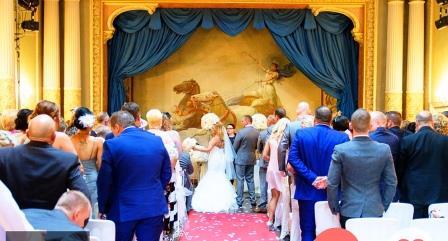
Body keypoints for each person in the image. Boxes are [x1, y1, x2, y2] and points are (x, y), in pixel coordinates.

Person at [97, 111, 171, 241]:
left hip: (122, 207)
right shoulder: (156, 140)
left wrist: (103, 207)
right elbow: (166, 172)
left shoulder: (112, 144)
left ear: (117, 127)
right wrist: (155, 189)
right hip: (152, 204)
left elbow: (105, 180)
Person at [0, 114, 89, 209]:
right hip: (52, 220)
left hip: (14, 219)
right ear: (53, 137)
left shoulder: (4, 155)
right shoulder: (67, 160)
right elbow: (83, 197)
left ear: (27, 134)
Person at [327, 109, 397, 228]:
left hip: (349, 208)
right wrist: (383, 205)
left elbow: (332, 183)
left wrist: (335, 207)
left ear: (350, 125)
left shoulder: (341, 149)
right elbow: (391, 182)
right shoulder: (384, 149)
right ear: (370, 126)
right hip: (374, 208)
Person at [287, 106, 349, 241]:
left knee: (308, 231)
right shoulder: (342, 137)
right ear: (331, 120)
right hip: (332, 192)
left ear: (315, 119)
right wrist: (328, 179)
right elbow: (347, 163)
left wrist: (312, 178)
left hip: (308, 189)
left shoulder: (301, 134)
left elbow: (293, 158)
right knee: (331, 232)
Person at [400, 111, 448, 218]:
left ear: (417, 122)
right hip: (440, 193)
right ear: (432, 122)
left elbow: (400, 169)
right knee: (438, 230)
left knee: (417, 230)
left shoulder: (408, 141)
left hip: (413, 193)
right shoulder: (445, 141)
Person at [146, 109, 181, 240]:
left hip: (148, 178)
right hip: (165, 177)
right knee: (168, 203)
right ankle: (166, 230)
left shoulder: (144, 135)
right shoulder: (166, 137)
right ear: (161, 122)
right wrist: (167, 175)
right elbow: (174, 157)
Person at [191, 122, 238, 212]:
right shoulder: (223, 138)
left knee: (212, 175)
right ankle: (223, 198)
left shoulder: (215, 138)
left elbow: (208, 149)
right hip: (221, 158)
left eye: (213, 128)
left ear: (216, 129)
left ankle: (212, 200)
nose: (212, 129)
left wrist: (195, 147)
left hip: (215, 159)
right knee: (220, 175)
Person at [70, 107, 104, 218]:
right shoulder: (98, 141)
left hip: (75, 179)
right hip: (93, 178)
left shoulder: (69, 141)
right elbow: (100, 164)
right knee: (93, 208)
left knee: (77, 209)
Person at [23, 191, 91, 241]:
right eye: (84, 220)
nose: (82, 226)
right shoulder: (73, 233)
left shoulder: (24, 213)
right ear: (77, 215)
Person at [263, 118, 290, 232]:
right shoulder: (286, 138)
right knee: (286, 197)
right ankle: (283, 222)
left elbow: (264, 155)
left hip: (271, 169)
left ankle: (270, 220)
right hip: (282, 169)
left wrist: (272, 160)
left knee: (274, 196)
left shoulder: (271, 138)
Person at [370, 111, 400, 201]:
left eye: (370, 123)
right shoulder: (394, 138)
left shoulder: (370, 137)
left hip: (372, 187)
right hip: (390, 184)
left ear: (377, 123)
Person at [233, 115, 260, 209]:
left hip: (240, 158)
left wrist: (234, 155)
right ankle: (253, 200)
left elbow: (235, 146)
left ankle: (239, 201)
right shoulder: (257, 132)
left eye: (242, 121)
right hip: (251, 158)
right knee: (250, 179)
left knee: (240, 180)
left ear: (247, 121)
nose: (242, 123)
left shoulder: (241, 132)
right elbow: (258, 146)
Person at [254, 114, 276, 213]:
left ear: (268, 122)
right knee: (275, 183)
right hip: (276, 162)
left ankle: (263, 204)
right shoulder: (279, 132)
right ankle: (275, 203)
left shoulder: (262, 133)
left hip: (264, 162)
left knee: (263, 183)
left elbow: (258, 148)